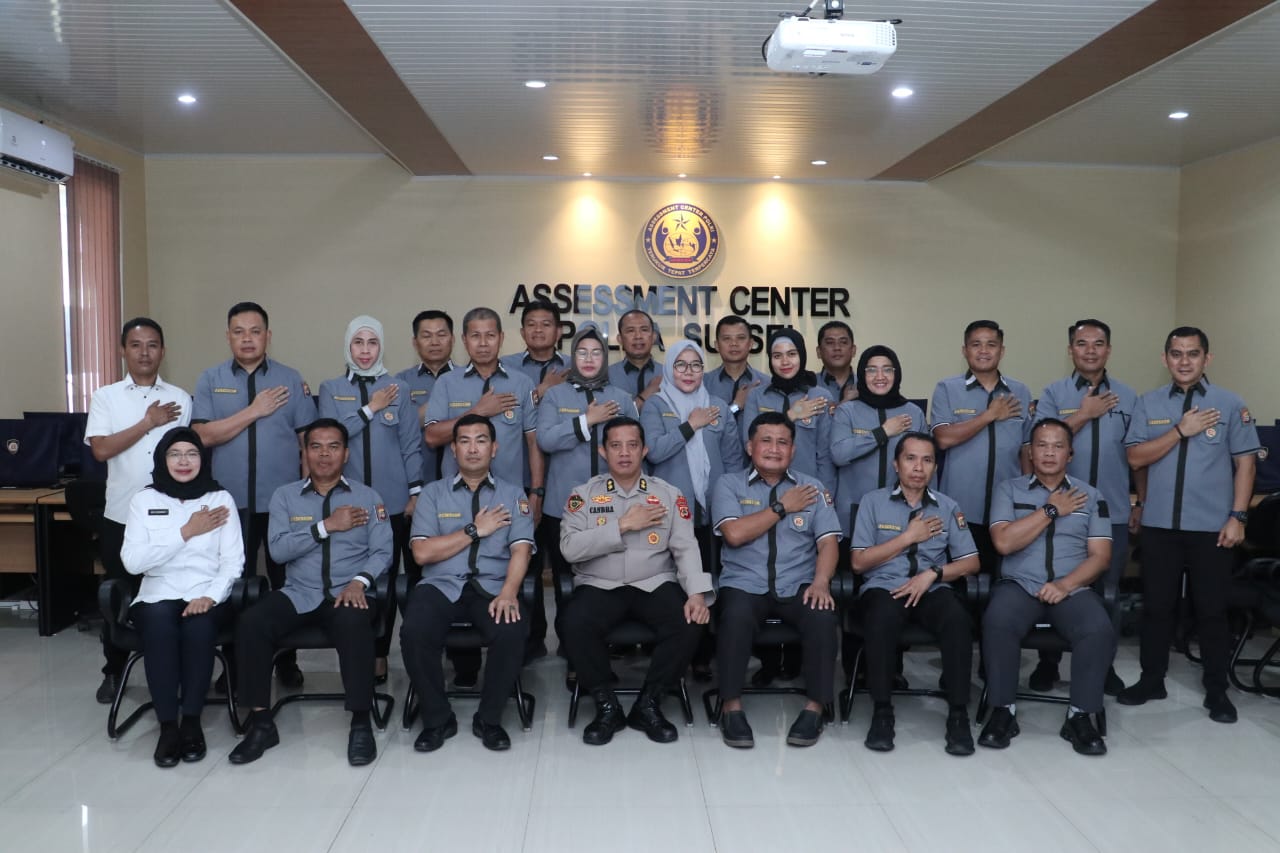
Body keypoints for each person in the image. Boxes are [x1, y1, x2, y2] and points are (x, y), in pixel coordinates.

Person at [229, 419, 392, 767]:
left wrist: (360, 581)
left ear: (346, 454)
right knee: (252, 622)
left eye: (333, 447)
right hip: (299, 592)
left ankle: (360, 721)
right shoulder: (285, 497)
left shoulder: (368, 497)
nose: (324, 454)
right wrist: (325, 527)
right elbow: (277, 552)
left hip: (350, 591)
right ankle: (261, 723)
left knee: (353, 621)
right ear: (304, 453)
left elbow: (383, 552)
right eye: (316, 446)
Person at [1118, 327, 1260, 723]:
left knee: (1212, 610)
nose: (1184, 361)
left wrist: (1238, 517)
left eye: (1192, 353)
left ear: (1206, 358)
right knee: (1156, 608)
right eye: (1176, 353)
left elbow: (1246, 464)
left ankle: (1217, 690)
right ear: (1165, 359)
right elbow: (1136, 458)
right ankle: (1152, 680)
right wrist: (1180, 431)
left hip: (1211, 527)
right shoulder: (1148, 403)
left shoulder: (1229, 403)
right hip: (1160, 526)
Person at [560, 416, 713, 744]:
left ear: (644, 450)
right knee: (572, 621)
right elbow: (570, 548)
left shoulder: (668, 494)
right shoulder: (583, 496)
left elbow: (686, 546)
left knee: (689, 621)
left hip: (653, 581)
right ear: (603, 452)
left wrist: (697, 594)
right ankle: (606, 705)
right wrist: (622, 525)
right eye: (616, 446)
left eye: (632, 445)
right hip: (599, 583)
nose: (624, 453)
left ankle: (650, 702)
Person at [192, 302, 314, 688]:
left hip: (282, 505)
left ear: (268, 336)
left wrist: (308, 496)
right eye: (239, 331)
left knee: (287, 583)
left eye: (255, 331)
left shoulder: (290, 379)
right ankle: (234, 665)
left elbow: (308, 443)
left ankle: (286, 660)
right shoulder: (210, 379)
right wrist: (255, 410)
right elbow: (202, 435)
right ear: (228, 336)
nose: (247, 339)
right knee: (233, 585)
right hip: (229, 505)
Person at [978, 419, 1115, 755]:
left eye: (1057, 446)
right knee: (998, 620)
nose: (1049, 453)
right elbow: (1003, 543)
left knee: (1097, 628)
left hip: (1072, 587)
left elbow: (1101, 557)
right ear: (1030, 452)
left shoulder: (1092, 496)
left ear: (1070, 454)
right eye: (1042, 445)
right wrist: (1051, 510)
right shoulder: (1008, 490)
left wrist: (1065, 585)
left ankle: (1080, 716)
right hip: (1019, 585)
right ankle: (1002, 711)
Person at [424, 307, 544, 685]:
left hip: (508, 502)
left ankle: (513, 656)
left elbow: (533, 442)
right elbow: (432, 436)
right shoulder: (448, 384)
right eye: (475, 336)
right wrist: (478, 411)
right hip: (456, 500)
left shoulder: (521, 383)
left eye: (490, 335)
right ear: (464, 341)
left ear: (501, 339)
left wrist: (536, 492)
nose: (483, 343)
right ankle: (465, 666)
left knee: (510, 573)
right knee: (461, 574)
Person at [401, 414, 534, 753]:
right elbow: (421, 553)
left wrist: (509, 592)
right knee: (414, 630)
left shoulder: (512, 494)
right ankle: (437, 719)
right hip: (440, 584)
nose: (473, 448)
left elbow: (521, 550)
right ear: (453, 449)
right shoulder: (432, 494)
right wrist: (475, 530)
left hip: (492, 585)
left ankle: (489, 719)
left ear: (494, 448)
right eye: (464, 441)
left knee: (511, 628)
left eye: (481, 440)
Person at [712, 412, 841, 749]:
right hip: (744, 582)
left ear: (793, 450)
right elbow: (734, 534)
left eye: (782, 442)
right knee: (735, 618)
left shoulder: (812, 489)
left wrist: (821, 581)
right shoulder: (729, 484)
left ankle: (815, 707)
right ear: (749, 447)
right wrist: (782, 507)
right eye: (766, 441)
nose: (774, 449)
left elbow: (828, 542)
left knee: (822, 615)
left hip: (799, 583)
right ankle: (731, 707)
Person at [1033, 319, 1144, 695]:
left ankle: (1103, 667)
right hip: (1062, 510)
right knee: (1054, 585)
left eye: (1098, 344)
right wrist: (1084, 413)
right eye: (1082, 344)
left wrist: (1141, 502)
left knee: (1108, 592)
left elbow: (1136, 456)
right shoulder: (1053, 393)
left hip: (1111, 512)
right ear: (1070, 350)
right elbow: (1038, 447)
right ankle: (1047, 663)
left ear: (1108, 350)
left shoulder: (1129, 397)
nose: (1090, 350)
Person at [851, 432, 980, 755]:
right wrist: (908, 537)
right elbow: (858, 562)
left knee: (957, 619)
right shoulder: (872, 502)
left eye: (927, 460)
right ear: (896, 465)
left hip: (931, 587)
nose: (918, 467)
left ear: (935, 467)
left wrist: (934, 573)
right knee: (881, 618)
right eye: (910, 459)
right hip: (884, 587)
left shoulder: (948, 507)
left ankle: (958, 714)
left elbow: (971, 562)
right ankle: (882, 712)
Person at [121, 427, 242, 767]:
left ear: (203, 460)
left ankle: (191, 721)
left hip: (206, 590)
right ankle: (167, 726)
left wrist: (210, 596)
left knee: (199, 628)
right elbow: (133, 562)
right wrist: (186, 531)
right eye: (175, 454)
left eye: (191, 454)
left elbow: (233, 562)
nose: (184, 461)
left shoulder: (220, 499)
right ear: (163, 459)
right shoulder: (144, 500)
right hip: (157, 591)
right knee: (160, 626)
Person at [86, 317, 192, 703]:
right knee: (119, 595)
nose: (144, 352)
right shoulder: (106, 397)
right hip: (122, 516)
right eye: (136, 345)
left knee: (170, 593)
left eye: (152, 345)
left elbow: (185, 457)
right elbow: (101, 450)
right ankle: (114, 670)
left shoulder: (181, 398)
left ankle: (172, 667)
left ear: (163, 351)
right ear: (122, 350)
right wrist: (148, 422)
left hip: (170, 519)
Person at [319, 315, 423, 685]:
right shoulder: (331, 389)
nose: (365, 351)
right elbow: (329, 437)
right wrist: (370, 408)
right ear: (348, 346)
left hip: (392, 503)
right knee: (352, 577)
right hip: (346, 504)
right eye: (358, 342)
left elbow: (411, 444)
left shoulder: (398, 388)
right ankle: (359, 649)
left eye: (372, 342)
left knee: (387, 579)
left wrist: (415, 492)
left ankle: (384, 652)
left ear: (382, 346)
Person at [640, 340, 744, 679]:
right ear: (669, 368)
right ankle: (674, 653)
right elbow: (654, 452)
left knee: (710, 581)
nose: (688, 372)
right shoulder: (656, 405)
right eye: (681, 365)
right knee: (674, 583)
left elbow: (732, 460)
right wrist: (690, 425)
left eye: (696, 365)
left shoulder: (717, 406)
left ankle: (703, 654)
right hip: (670, 514)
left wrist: (731, 503)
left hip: (712, 512)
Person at [535, 326, 637, 658]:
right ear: (572, 356)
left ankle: (611, 643)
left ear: (605, 357)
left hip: (616, 505)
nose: (589, 359)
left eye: (596, 353)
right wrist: (586, 421)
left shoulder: (621, 398)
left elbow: (636, 448)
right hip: (565, 505)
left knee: (612, 577)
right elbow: (546, 440)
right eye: (582, 352)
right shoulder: (555, 396)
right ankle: (571, 646)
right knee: (566, 582)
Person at [929, 320, 1032, 577]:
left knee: (1004, 582)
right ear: (965, 350)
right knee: (961, 583)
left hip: (1008, 511)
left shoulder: (1020, 391)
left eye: (991, 344)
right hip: (960, 508)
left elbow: (1026, 450)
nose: (984, 350)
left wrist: (1028, 499)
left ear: (1002, 351)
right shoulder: (947, 389)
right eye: (976, 344)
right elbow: (943, 438)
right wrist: (989, 415)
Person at [831, 345, 926, 544]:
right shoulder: (847, 411)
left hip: (903, 513)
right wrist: (882, 433)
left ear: (896, 373)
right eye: (872, 370)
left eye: (887, 369)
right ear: (862, 374)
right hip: (853, 512)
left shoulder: (913, 413)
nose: (880, 376)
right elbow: (839, 454)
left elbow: (927, 464)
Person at [741, 328, 835, 489]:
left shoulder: (820, 396)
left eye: (791, 354)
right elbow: (749, 444)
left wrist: (823, 494)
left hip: (806, 489)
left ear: (802, 355)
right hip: (762, 488)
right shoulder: (757, 395)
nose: (785, 362)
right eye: (777, 356)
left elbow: (826, 456)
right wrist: (791, 415)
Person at [395, 309, 456, 488]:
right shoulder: (401, 382)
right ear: (415, 343)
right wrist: (439, 405)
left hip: (460, 480)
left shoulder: (467, 379)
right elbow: (396, 429)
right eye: (427, 336)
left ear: (453, 339)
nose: (435, 342)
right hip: (416, 481)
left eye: (441, 335)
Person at [500, 298, 569, 406]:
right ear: (523, 333)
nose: (538, 330)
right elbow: (502, 408)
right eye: (531, 324)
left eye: (546, 324)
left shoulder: (573, 366)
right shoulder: (506, 366)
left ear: (558, 332)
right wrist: (543, 389)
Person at [704, 316, 767, 423]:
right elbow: (700, 425)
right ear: (717, 345)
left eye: (741, 338)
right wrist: (736, 406)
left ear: (751, 344)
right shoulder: (703, 384)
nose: (734, 343)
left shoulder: (766, 384)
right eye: (727, 338)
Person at [607, 309, 664, 407]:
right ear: (620, 339)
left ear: (654, 337)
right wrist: (648, 392)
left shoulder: (668, 375)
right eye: (630, 331)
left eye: (644, 330)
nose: (638, 336)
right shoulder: (607, 376)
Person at [815, 320, 858, 402]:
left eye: (843, 342)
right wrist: (845, 401)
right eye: (830, 343)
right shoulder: (808, 386)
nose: (837, 348)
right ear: (819, 352)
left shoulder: (867, 386)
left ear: (853, 350)